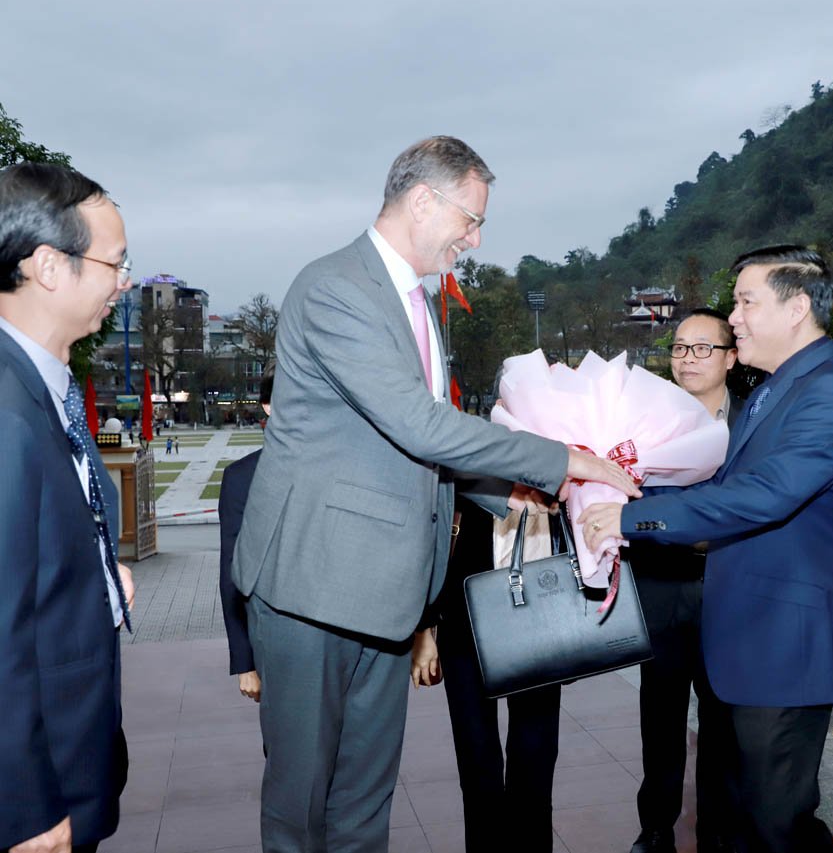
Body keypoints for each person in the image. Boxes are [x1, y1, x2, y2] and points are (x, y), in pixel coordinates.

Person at [230, 135, 638, 852]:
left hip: (387, 595)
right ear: (422, 201)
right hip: (312, 585)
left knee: (362, 804)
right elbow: (420, 425)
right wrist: (560, 460)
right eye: (470, 220)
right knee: (301, 807)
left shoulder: (415, 305)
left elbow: (410, 454)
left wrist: (510, 493)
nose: (474, 240)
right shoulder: (336, 288)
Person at [582, 246, 833, 853]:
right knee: (749, 814)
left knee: (778, 820)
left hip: (782, 640)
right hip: (748, 631)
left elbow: (764, 496)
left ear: (796, 308)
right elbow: (726, 486)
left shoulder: (831, 394)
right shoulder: (777, 390)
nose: (734, 317)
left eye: (746, 302)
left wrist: (635, 517)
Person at [0, 161, 136, 853]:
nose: (125, 281)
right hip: (35, 790)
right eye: (115, 261)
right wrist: (22, 805)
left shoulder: (39, 385)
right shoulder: (7, 412)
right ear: (50, 267)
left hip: (72, 750)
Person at [626, 307, 741, 853]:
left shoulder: (753, 423)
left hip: (731, 586)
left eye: (703, 348)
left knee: (724, 715)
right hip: (663, 582)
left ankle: (716, 826)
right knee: (661, 714)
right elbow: (638, 502)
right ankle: (656, 828)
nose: (688, 358)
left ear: (731, 356)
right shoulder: (646, 423)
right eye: (680, 349)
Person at [411, 497, 564, 852]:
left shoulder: (555, 440)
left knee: (535, 757)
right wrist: (424, 625)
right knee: (477, 760)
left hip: (540, 604)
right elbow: (432, 517)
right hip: (464, 610)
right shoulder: (463, 444)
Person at [218, 370, 274, 703]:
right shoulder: (241, 478)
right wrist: (245, 661)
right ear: (267, 406)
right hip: (275, 650)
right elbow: (231, 573)